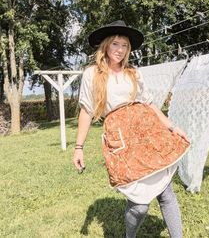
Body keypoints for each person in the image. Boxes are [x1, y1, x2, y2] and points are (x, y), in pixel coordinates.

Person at [73, 20, 190, 238]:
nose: (120, 49)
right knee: (139, 205)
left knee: (166, 193)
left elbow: (149, 104)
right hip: (121, 141)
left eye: (125, 45)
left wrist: (173, 127)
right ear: (106, 46)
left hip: (147, 134)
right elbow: (86, 111)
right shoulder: (92, 74)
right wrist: (79, 147)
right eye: (115, 44)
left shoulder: (133, 73)